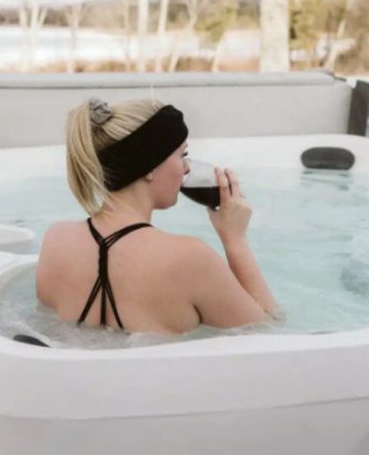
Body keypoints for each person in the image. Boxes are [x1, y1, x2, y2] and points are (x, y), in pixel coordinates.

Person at [35, 97, 279, 334]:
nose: (187, 168)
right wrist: (235, 240)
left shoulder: (56, 241)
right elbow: (268, 335)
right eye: (181, 155)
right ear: (150, 165)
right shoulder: (190, 258)